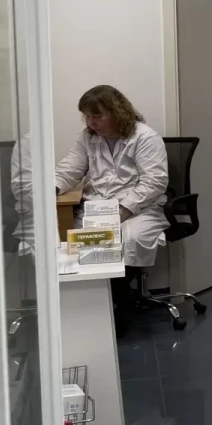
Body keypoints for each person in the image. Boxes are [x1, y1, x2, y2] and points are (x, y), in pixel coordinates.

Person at [56, 85, 169, 329]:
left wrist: (122, 211)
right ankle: (107, 304)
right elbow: (70, 168)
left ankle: (118, 303)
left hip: (139, 208)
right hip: (97, 206)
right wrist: (52, 188)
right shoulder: (88, 138)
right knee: (78, 243)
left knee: (130, 239)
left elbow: (154, 182)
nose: (91, 122)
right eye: (87, 116)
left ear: (117, 112)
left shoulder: (145, 137)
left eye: (97, 115)